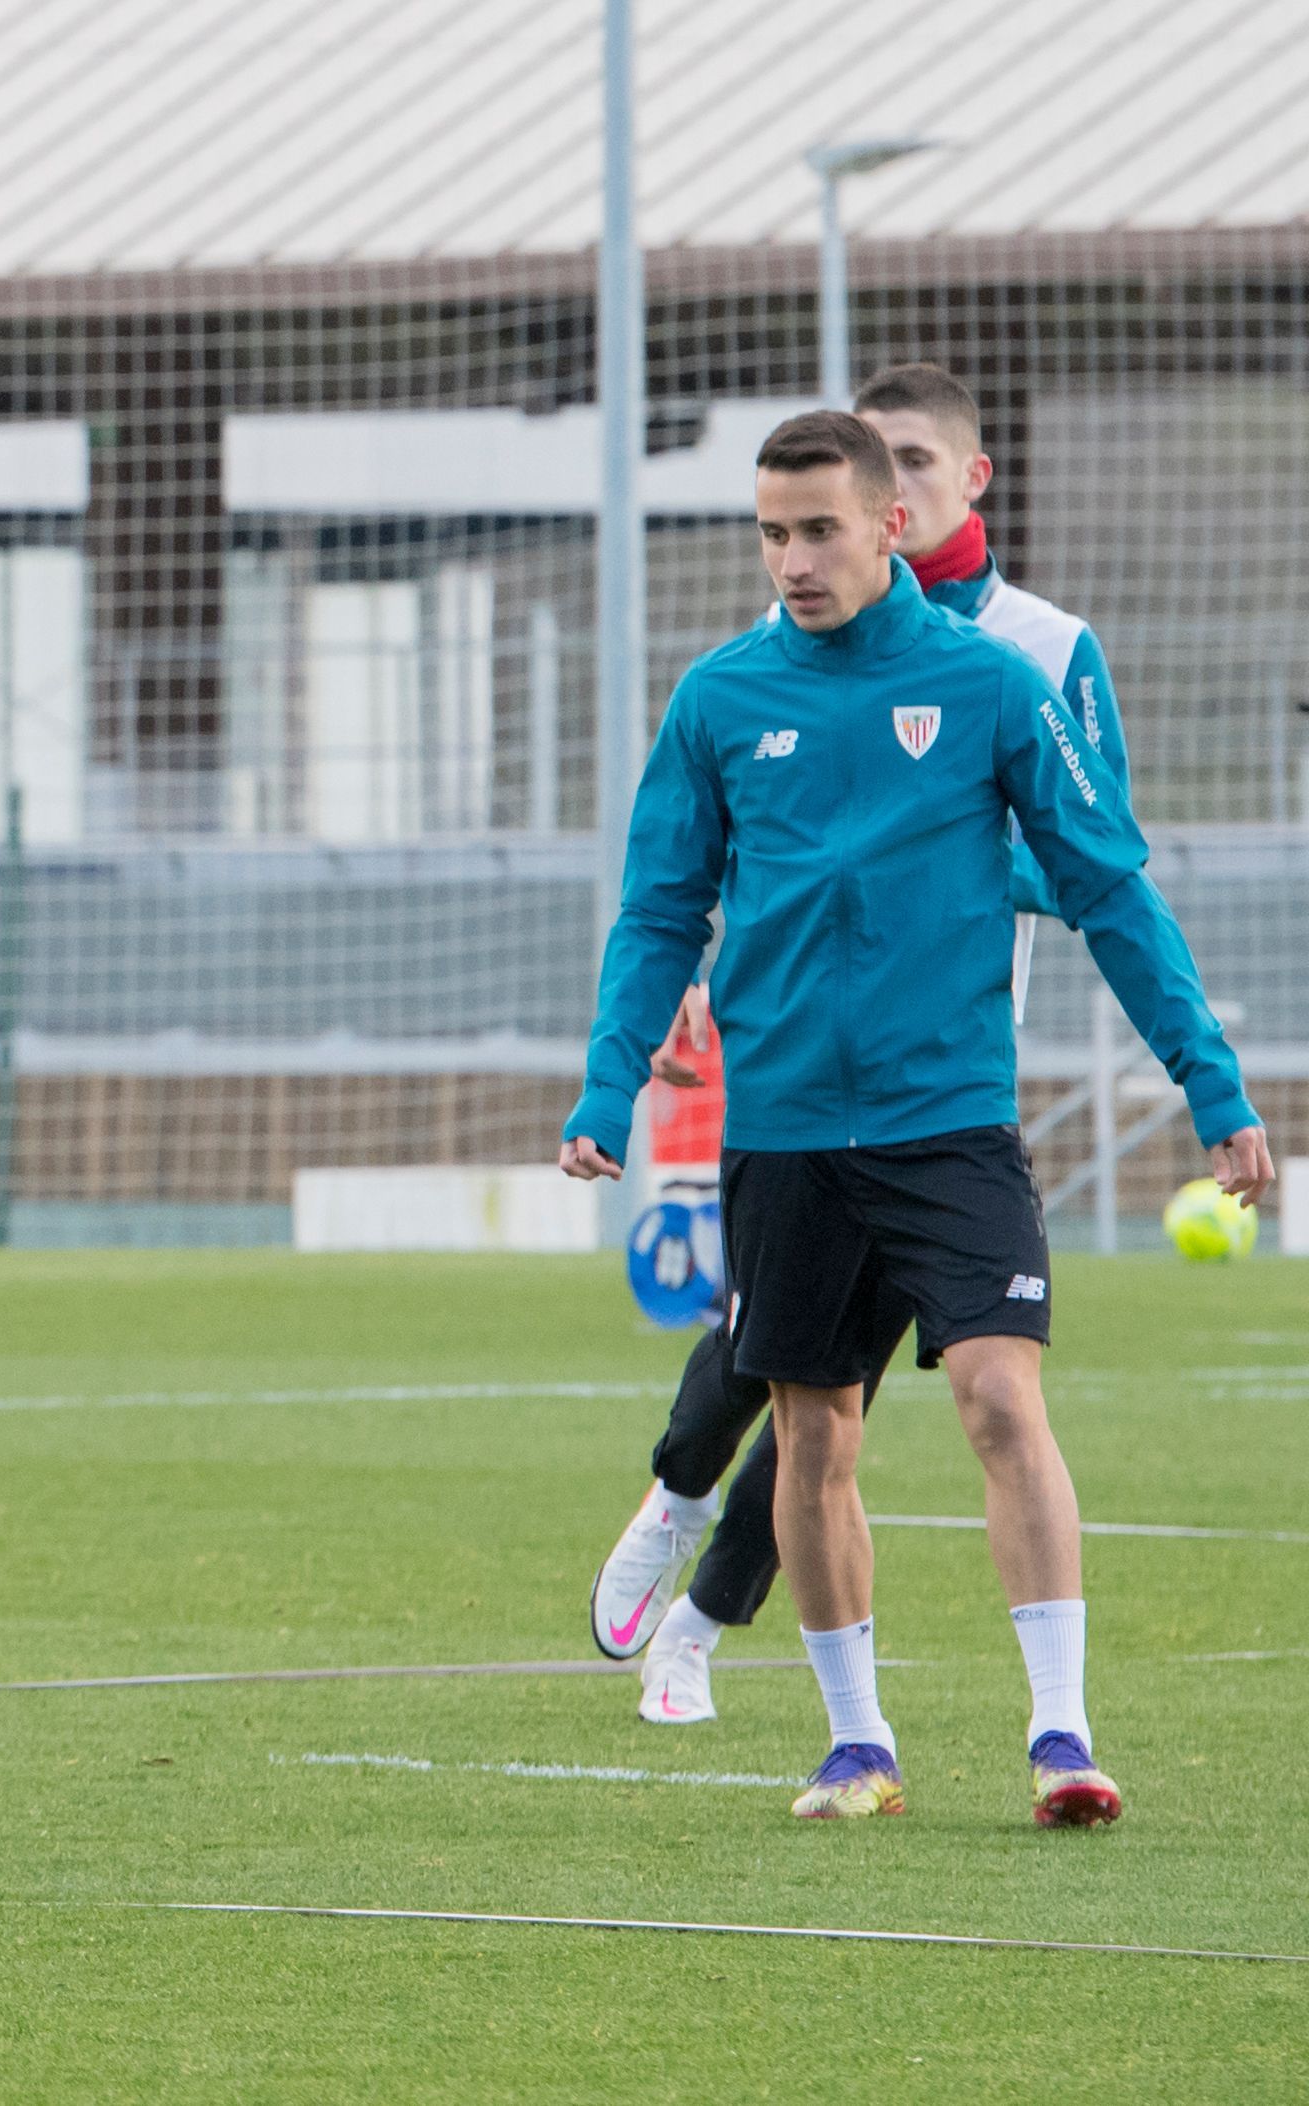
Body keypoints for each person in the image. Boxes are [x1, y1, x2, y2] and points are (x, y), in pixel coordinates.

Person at [562, 408, 1267, 1826]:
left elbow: (1111, 888)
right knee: (816, 1438)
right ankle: (856, 1741)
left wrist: (1214, 1086)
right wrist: (608, 1075)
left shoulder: (994, 687)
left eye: (820, 529)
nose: (794, 560)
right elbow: (658, 908)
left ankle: (1062, 1734)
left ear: (895, 523)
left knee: (1001, 1396)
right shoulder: (716, 699)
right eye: (771, 532)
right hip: (782, 1132)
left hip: (948, 1117)